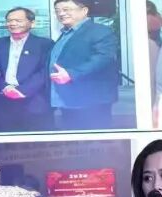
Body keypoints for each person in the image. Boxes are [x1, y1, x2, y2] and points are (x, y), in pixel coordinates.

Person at [49, 0, 120, 130]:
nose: (61, 14)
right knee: (73, 137)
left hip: (91, 100)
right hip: (70, 99)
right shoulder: (65, 34)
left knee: (93, 139)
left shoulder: (99, 31)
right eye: (58, 11)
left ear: (84, 11)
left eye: (66, 9)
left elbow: (104, 58)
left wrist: (71, 74)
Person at [0, 7, 55, 132]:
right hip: (3, 101)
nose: (13, 23)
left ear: (32, 23)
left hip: (34, 100)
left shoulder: (45, 44)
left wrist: (22, 91)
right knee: (5, 139)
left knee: (36, 139)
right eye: (9, 20)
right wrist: (5, 87)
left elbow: (45, 70)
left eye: (18, 20)